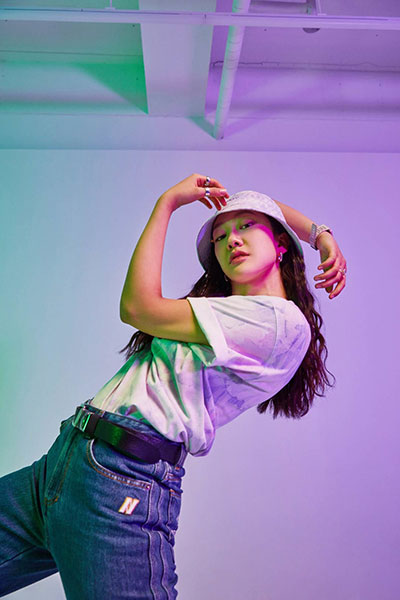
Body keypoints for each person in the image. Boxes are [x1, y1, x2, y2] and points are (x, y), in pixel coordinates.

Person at [0, 174, 347, 599]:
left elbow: (136, 307)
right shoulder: (220, 313)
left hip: (120, 482)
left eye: (246, 227)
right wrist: (319, 234)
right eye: (220, 237)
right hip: (64, 465)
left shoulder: (278, 321)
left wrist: (167, 204)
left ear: (280, 244)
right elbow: (257, 204)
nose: (232, 240)